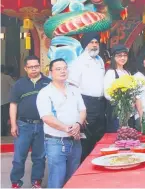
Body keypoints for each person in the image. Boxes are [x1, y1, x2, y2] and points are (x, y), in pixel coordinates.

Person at [37, 58, 86, 188]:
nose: (63, 71)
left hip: (75, 140)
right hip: (56, 142)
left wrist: (78, 124)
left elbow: (82, 110)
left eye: (65, 68)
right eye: (58, 69)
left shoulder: (74, 89)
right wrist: (67, 128)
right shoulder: (45, 93)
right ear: (51, 72)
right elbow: (46, 117)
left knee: (73, 178)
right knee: (57, 179)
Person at [9, 56, 50, 189]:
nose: (34, 69)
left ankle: (36, 182)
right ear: (26, 68)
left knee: (39, 156)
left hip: (43, 125)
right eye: (31, 67)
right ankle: (16, 182)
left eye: (36, 66)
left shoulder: (48, 83)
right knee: (19, 157)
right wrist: (14, 124)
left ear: (40, 66)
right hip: (23, 125)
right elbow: (13, 105)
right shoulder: (19, 84)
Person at [68, 32, 105, 161]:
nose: (94, 45)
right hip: (86, 103)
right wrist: (80, 111)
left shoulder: (100, 60)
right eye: (91, 43)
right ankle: (81, 169)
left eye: (96, 43)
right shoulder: (79, 62)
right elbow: (73, 88)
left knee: (99, 137)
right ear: (85, 45)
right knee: (86, 140)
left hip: (100, 104)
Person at [103, 44, 130, 133]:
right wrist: (121, 101)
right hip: (115, 111)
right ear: (113, 57)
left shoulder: (127, 72)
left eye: (125, 55)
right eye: (119, 56)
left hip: (127, 112)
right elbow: (107, 94)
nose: (123, 58)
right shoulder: (111, 73)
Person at [2, 64, 15, 136]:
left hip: (4, 100)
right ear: (4, 70)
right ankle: (3, 132)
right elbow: (15, 86)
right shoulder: (7, 77)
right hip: (5, 100)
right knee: (4, 117)